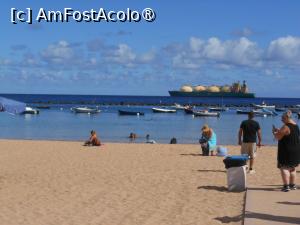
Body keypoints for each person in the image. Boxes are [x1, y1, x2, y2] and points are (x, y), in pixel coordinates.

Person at [273, 111, 300, 192]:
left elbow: (278, 137)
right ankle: (292, 185)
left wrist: (274, 132)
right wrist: (279, 130)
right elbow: (289, 134)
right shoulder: (296, 125)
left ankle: (286, 186)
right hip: (295, 149)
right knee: (292, 168)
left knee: (284, 167)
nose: (281, 120)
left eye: (282, 118)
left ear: (286, 118)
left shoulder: (286, 126)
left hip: (286, 150)